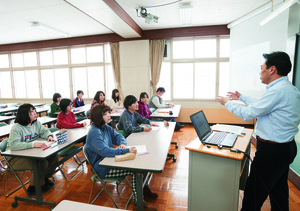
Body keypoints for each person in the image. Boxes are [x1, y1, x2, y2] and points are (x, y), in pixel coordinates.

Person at [217, 51, 300, 211]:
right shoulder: (287, 89)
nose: (259, 72)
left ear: (272, 70)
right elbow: (262, 104)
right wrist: (241, 97)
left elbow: (248, 113)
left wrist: (227, 103)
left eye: (261, 67)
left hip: (272, 152)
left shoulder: (278, 91)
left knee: (253, 196)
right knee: (278, 192)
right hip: (285, 148)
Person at [85, 105, 157, 210]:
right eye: (105, 114)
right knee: (135, 171)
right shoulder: (94, 132)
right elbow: (105, 151)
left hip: (109, 161)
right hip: (102, 168)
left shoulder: (105, 127)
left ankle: (144, 191)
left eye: (108, 112)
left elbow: (118, 136)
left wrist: (122, 143)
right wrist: (125, 150)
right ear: (98, 117)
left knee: (141, 166)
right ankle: (138, 204)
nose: (109, 115)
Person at [7, 104, 58, 194]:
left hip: (32, 153)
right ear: (24, 114)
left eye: (35, 111)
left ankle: (44, 178)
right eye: (31, 112)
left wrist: (49, 136)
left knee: (54, 156)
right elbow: (13, 145)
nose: (35, 113)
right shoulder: (17, 127)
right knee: (41, 161)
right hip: (15, 158)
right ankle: (33, 187)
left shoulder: (36, 123)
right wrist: (33, 144)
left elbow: (44, 131)